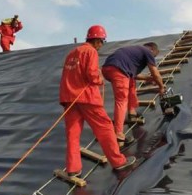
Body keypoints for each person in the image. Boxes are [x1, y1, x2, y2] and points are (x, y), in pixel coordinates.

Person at [59, 25, 136, 177]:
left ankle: (73, 169)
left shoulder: (71, 54)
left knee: (72, 134)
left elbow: (68, 76)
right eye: (102, 42)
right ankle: (118, 162)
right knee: (105, 128)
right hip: (87, 98)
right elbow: (92, 75)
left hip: (69, 99)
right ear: (98, 40)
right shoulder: (90, 51)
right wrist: (100, 79)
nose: (101, 45)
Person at [102, 42, 165, 146]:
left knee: (131, 82)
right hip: (118, 70)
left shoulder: (134, 52)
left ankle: (132, 113)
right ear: (153, 50)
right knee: (121, 100)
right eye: (155, 55)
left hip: (108, 68)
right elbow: (154, 71)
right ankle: (118, 136)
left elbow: (133, 75)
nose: (153, 57)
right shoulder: (147, 51)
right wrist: (161, 87)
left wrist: (148, 78)